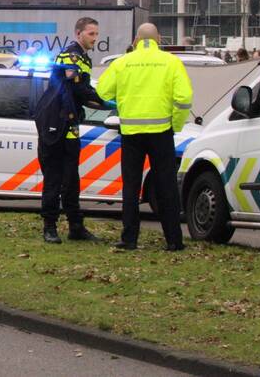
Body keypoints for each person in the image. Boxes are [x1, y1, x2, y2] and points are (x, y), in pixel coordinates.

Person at [96, 23, 193, 252]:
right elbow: (184, 98)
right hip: (161, 133)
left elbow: (102, 93)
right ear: (159, 39)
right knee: (166, 186)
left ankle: (129, 239)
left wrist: (122, 101)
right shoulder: (171, 62)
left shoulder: (122, 63)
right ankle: (173, 240)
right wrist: (175, 124)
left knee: (131, 188)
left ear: (135, 41)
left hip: (131, 134)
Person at [34, 17, 108, 245]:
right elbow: (79, 89)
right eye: (90, 34)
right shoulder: (70, 56)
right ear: (78, 34)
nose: (94, 38)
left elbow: (81, 92)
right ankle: (49, 227)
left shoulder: (83, 57)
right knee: (54, 178)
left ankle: (76, 226)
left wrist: (101, 101)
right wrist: (106, 102)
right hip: (55, 124)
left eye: (96, 34)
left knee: (71, 179)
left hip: (70, 125)